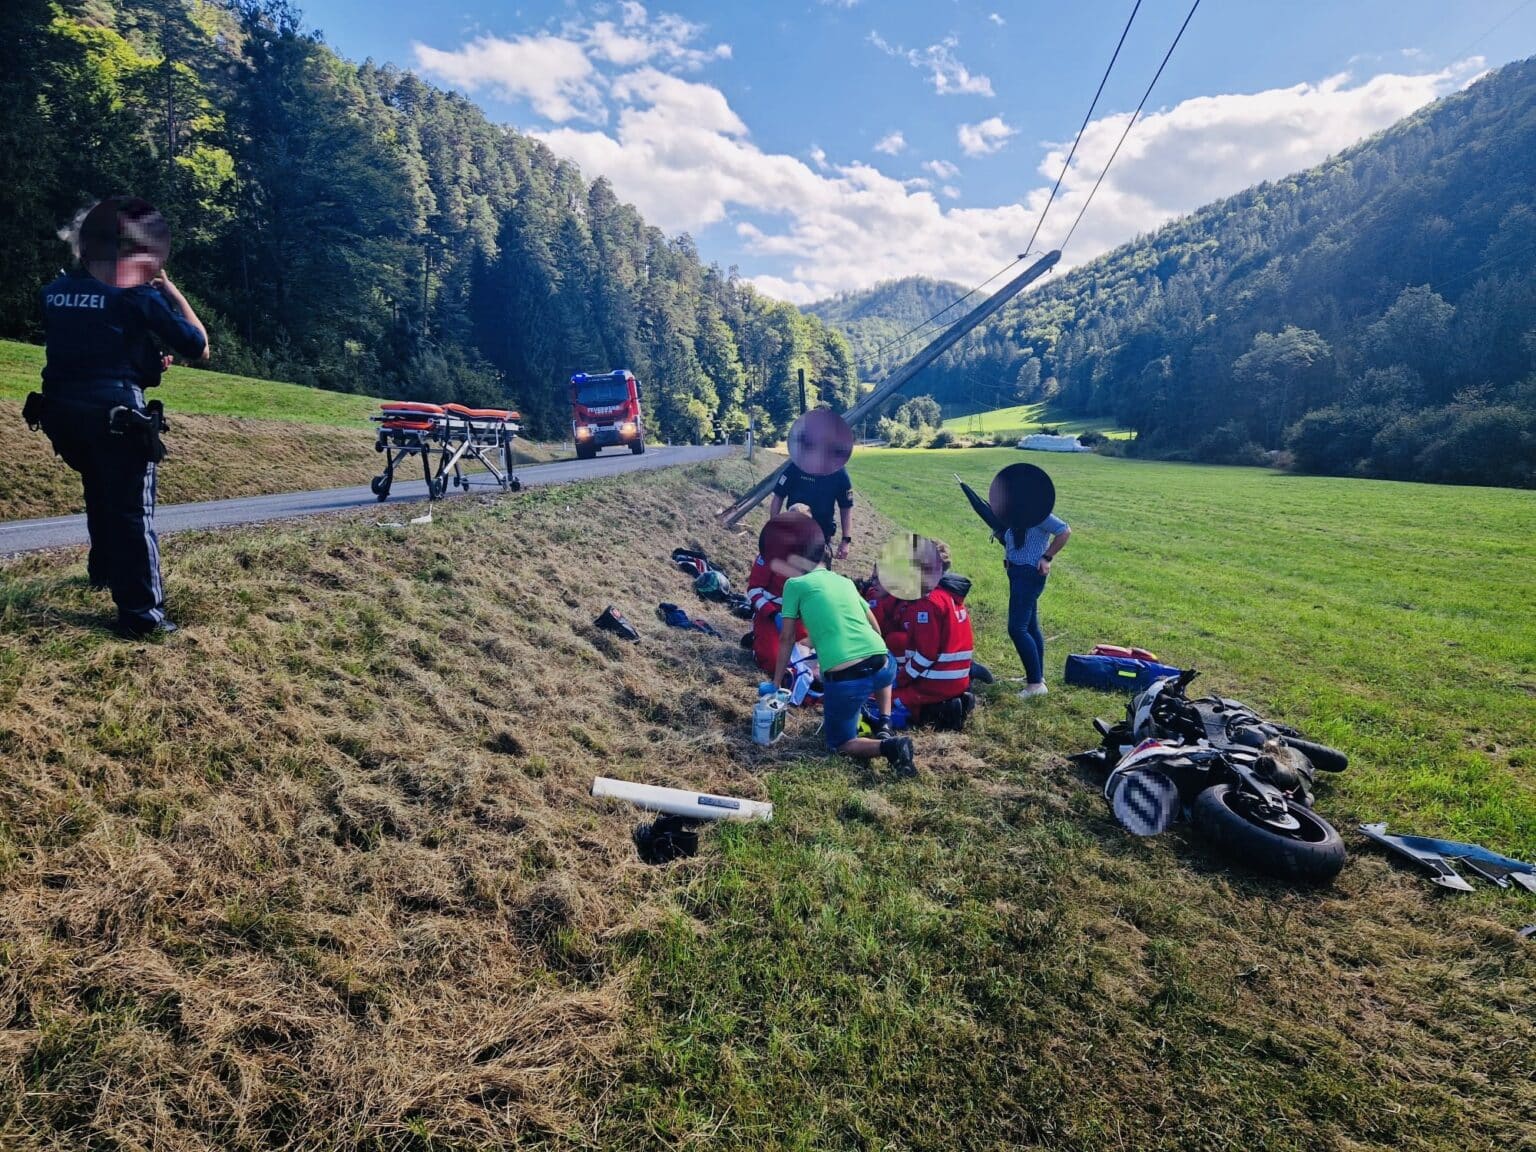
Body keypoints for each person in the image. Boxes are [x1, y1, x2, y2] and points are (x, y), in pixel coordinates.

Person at [35, 197, 209, 637]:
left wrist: (142, 361)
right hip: (115, 415)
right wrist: (168, 290)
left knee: (99, 488)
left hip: (61, 414)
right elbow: (198, 345)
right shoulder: (137, 293)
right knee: (133, 512)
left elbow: (92, 344)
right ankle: (141, 617)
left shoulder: (54, 294)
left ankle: (104, 574)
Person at [774, 531, 915, 774]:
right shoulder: (845, 582)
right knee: (879, 661)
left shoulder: (794, 585)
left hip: (847, 680)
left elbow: (787, 637)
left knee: (839, 743)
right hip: (884, 665)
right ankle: (884, 720)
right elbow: (875, 628)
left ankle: (890, 747)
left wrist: (777, 682)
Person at [1003, 510, 1071, 698]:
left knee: (1017, 629)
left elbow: (1064, 531)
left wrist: (1047, 557)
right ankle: (1037, 677)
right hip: (1017, 573)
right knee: (1030, 627)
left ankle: (1035, 685)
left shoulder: (1038, 513)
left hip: (1029, 574)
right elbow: (1014, 537)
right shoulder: (1015, 513)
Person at [768, 459, 855, 560]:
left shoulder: (839, 472)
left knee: (818, 573)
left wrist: (846, 540)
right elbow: (778, 496)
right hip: (793, 533)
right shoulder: (797, 465)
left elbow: (846, 506)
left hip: (821, 536)